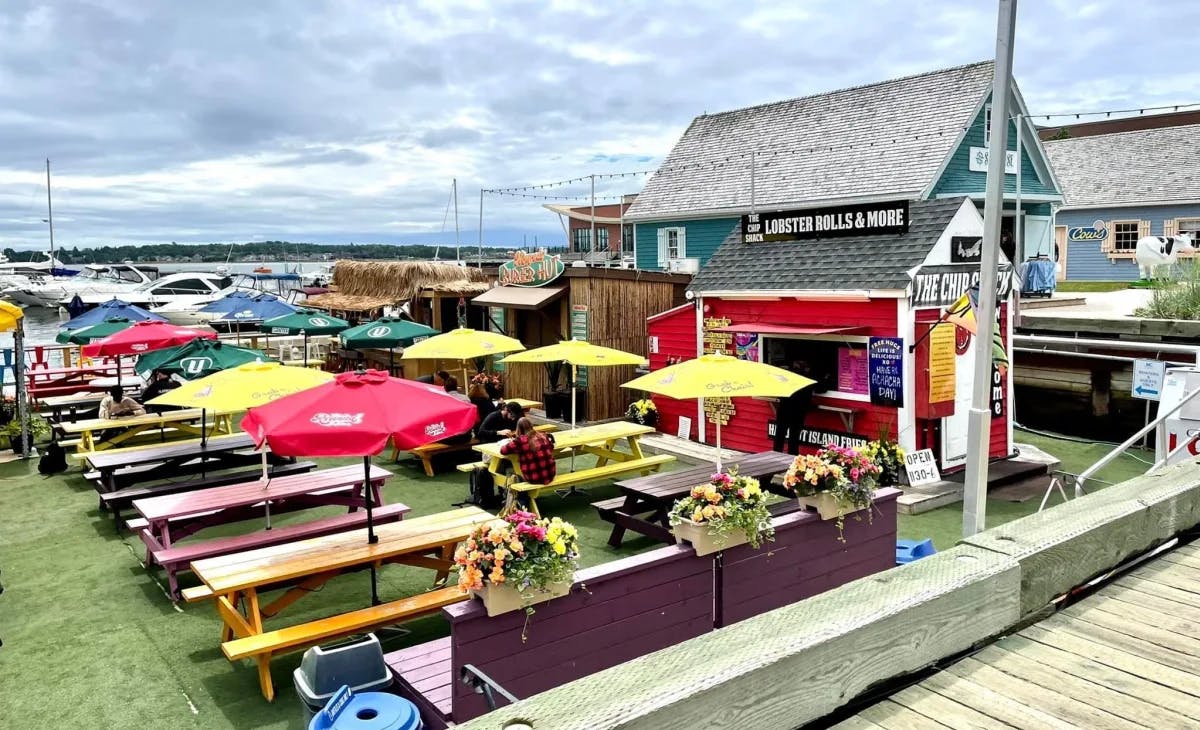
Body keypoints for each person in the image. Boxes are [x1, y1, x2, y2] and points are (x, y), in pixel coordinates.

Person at [772, 360, 823, 456]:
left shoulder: (787, 377)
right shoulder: (808, 379)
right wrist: (826, 378)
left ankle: (776, 455)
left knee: (780, 433)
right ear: (806, 368)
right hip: (798, 411)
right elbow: (821, 389)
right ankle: (792, 457)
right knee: (794, 437)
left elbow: (779, 393)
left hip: (784, 409)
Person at [500, 417, 557, 486]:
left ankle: (515, 493)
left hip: (533, 478)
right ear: (531, 425)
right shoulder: (543, 435)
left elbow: (503, 451)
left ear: (518, 428)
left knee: (511, 471)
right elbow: (551, 447)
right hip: (550, 474)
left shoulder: (519, 441)